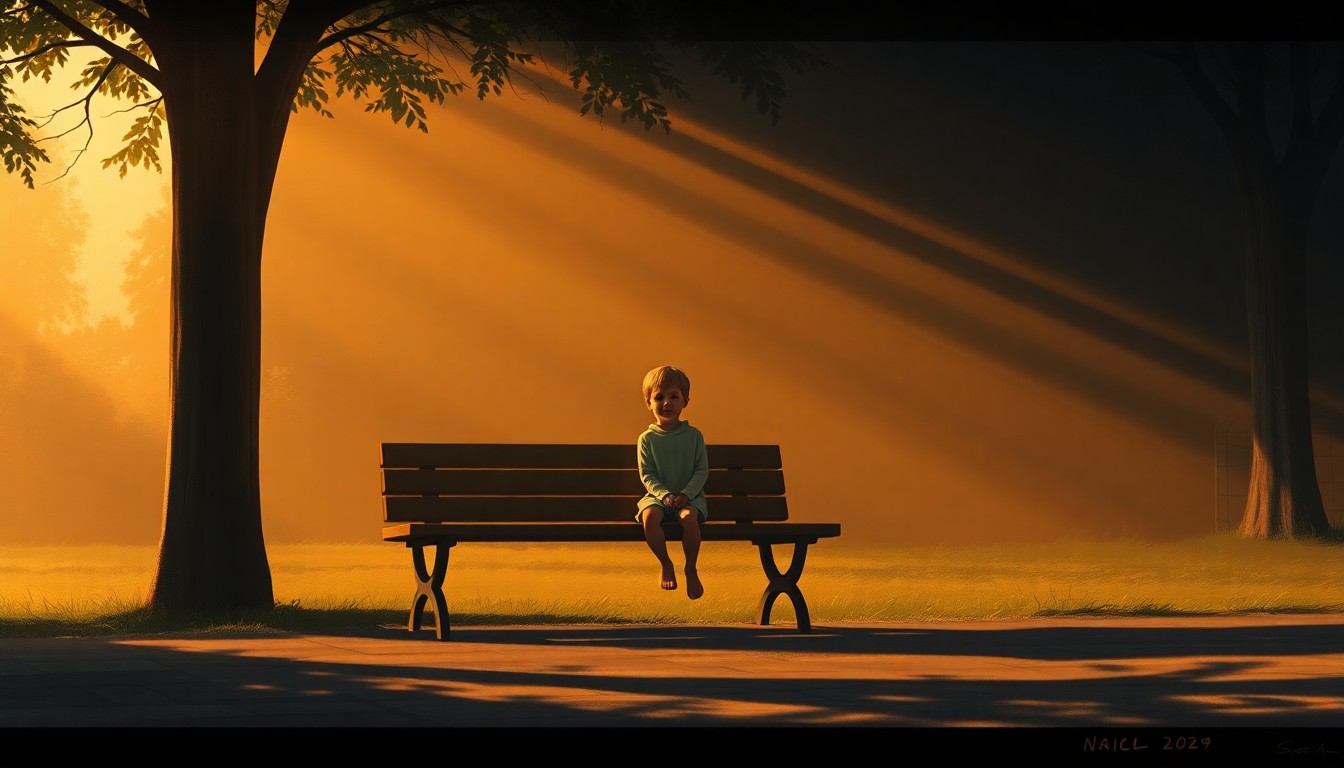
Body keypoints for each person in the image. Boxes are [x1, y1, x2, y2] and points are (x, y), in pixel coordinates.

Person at [635, 365, 709, 600]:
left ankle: (690, 567)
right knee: (649, 518)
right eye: (659, 397)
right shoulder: (646, 439)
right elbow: (647, 474)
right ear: (648, 402)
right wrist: (664, 495)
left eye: (674, 397)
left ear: (685, 400)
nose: (666, 403)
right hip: (658, 497)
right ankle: (666, 563)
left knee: (689, 518)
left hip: (690, 498)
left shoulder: (694, 436)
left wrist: (687, 494)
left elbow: (701, 470)